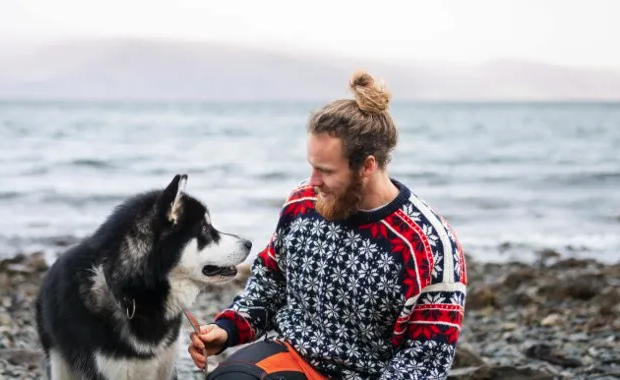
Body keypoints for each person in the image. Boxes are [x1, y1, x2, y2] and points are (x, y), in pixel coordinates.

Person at [188, 70, 468, 380]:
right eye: (311, 166)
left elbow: (424, 362)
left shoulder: (429, 246)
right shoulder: (301, 204)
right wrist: (227, 330)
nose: (312, 182)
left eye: (325, 171)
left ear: (367, 166)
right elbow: (268, 286)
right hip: (291, 356)